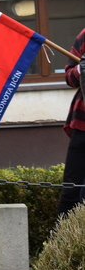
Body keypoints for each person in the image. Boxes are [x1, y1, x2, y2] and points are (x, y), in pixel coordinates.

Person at [57, 28, 85, 218]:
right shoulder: (84, 36)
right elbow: (69, 77)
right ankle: (61, 235)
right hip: (82, 125)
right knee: (71, 191)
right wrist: (80, 69)